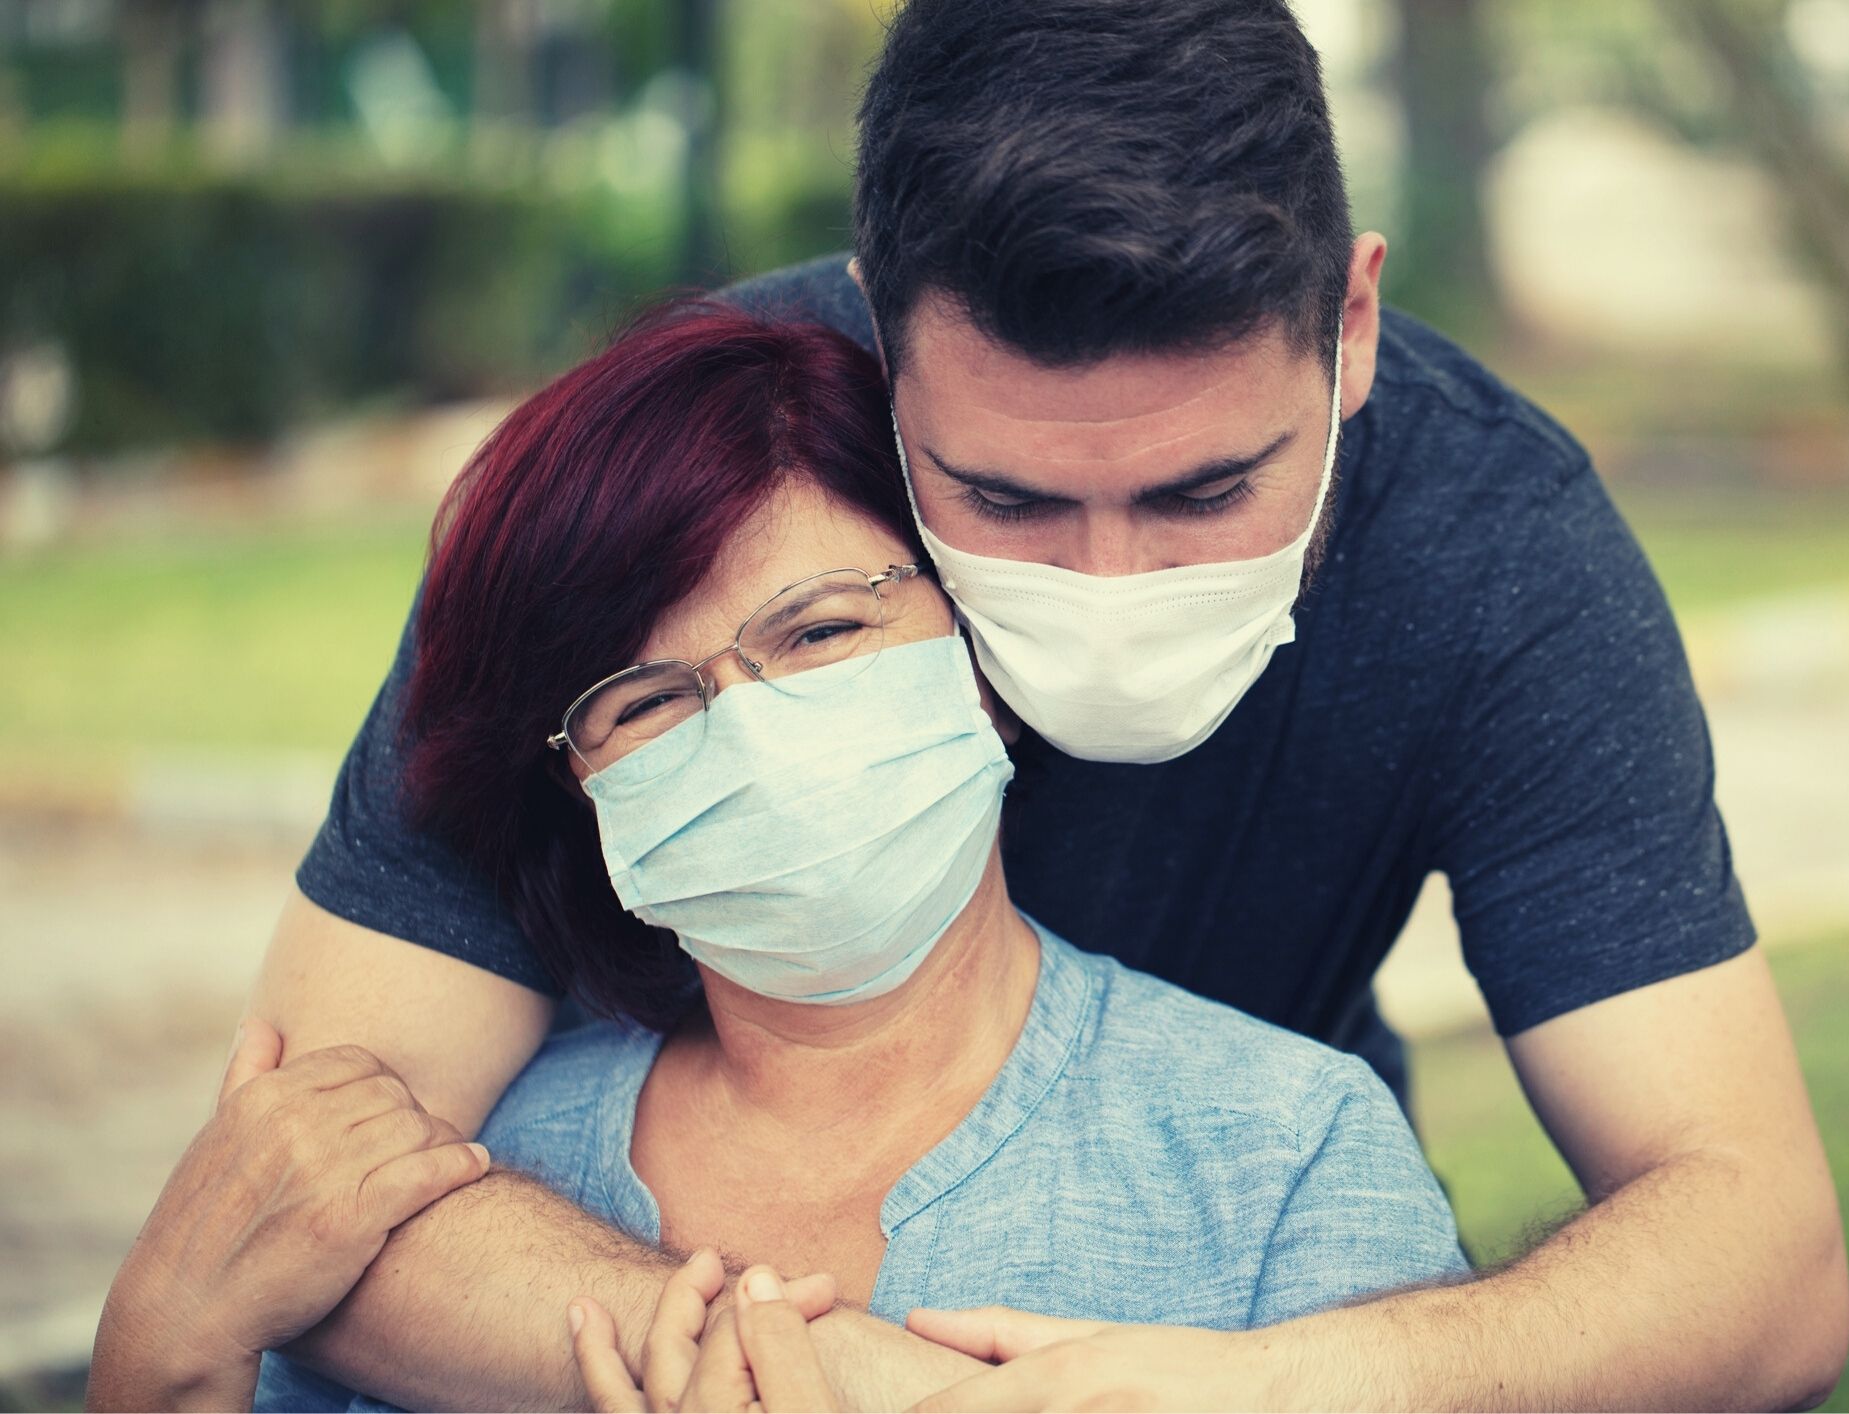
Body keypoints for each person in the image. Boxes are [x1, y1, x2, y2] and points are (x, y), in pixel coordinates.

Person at [234, 1, 1848, 1408]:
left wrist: (1290, 1383)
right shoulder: (668, 488)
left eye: (1208, 488)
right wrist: (846, 1371)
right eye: (1003, 499)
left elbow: (1756, 1260)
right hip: (692, 1214)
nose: (1110, 582)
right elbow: (297, 1178)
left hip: (1241, 1271)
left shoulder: (1495, 551)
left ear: (1348, 328)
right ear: (876, 339)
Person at [92, 307, 1469, 1413]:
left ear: (979, 657)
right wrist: (157, 1350)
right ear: (580, 789)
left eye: (816, 634)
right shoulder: (463, 1182)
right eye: (645, 700)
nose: (748, 730)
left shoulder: (1284, 1156)